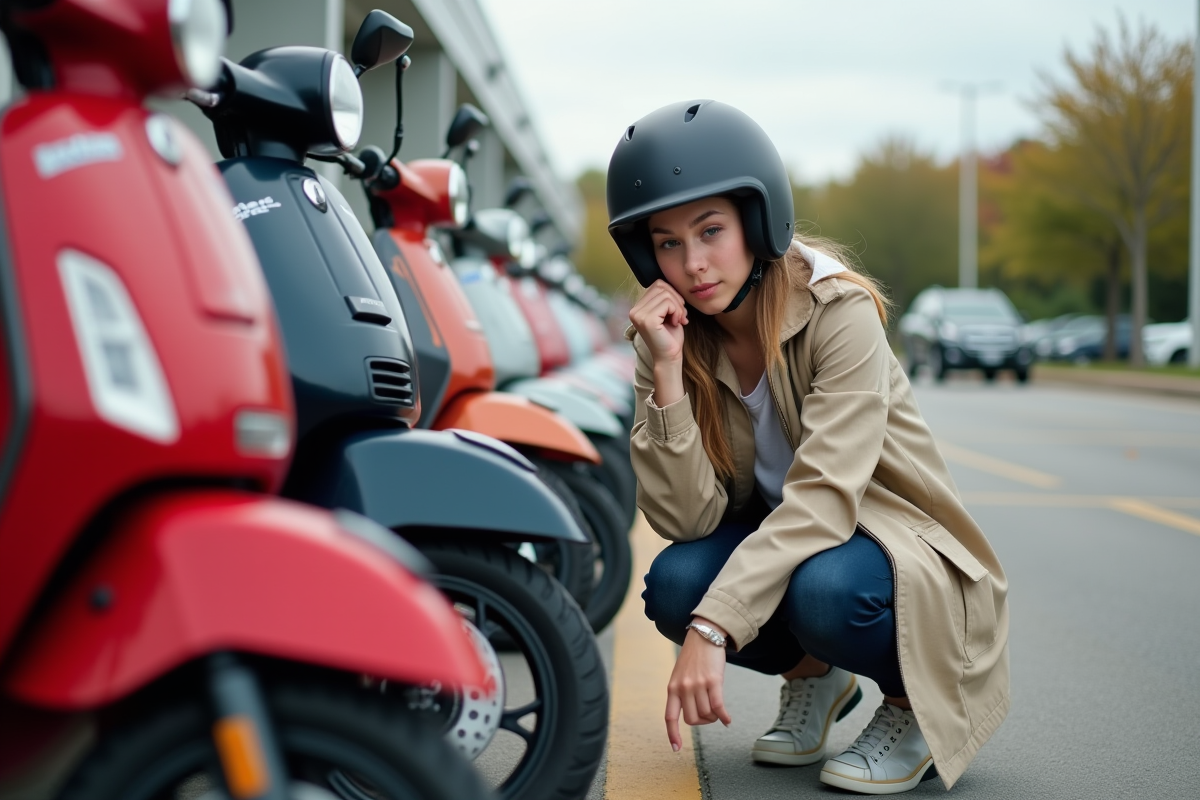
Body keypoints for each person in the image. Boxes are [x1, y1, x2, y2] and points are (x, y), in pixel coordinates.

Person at [607, 100, 1009, 795]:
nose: (693, 263)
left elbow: (824, 501)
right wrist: (667, 376)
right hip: (793, 543)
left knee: (823, 591)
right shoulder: (671, 333)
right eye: (668, 242)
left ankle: (915, 710)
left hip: (890, 549)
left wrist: (712, 630)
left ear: (757, 222)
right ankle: (816, 681)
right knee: (674, 583)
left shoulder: (838, 312)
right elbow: (687, 523)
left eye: (711, 231)